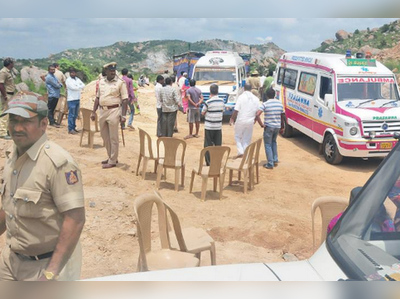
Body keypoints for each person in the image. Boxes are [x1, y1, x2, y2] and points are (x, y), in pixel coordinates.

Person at [0, 91, 85, 281]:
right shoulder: (12, 157)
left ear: (43, 124)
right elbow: (9, 207)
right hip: (11, 260)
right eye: (13, 120)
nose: (18, 127)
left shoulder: (57, 163)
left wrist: (50, 274)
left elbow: (75, 219)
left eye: (26, 121)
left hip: (46, 266)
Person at [91, 62, 128, 169]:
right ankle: (111, 156)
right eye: (110, 71)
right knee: (105, 136)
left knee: (113, 137)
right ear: (106, 71)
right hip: (102, 111)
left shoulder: (121, 83)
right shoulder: (101, 82)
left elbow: (125, 100)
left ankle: (112, 160)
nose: (112, 73)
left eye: (114, 71)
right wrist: (93, 111)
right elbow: (98, 98)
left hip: (114, 110)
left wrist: (124, 115)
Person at [256, 88, 284, 169]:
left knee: (268, 144)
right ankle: (275, 159)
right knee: (274, 142)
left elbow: (257, 114)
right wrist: (282, 126)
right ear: (274, 95)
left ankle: (270, 163)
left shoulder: (265, 104)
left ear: (267, 95)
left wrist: (261, 124)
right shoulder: (279, 104)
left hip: (269, 127)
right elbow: (282, 115)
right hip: (277, 127)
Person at [229, 83, 260, 158]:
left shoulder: (241, 97)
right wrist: (255, 119)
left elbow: (236, 110)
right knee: (247, 138)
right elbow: (257, 112)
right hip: (250, 121)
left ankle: (240, 152)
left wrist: (232, 118)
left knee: (237, 136)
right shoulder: (256, 99)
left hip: (241, 120)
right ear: (251, 89)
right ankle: (245, 153)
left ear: (244, 89)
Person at [202, 84, 224, 165]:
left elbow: (203, 113)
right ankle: (217, 161)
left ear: (210, 91)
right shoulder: (221, 101)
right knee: (218, 144)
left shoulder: (208, 102)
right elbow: (222, 110)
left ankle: (209, 162)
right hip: (218, 127)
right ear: (217, 91)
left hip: (209, 126)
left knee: (208, 144)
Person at [65, 68, 85, 135]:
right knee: (71, 115)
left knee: (75, 115)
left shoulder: (77, 79)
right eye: (72, 73)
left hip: (77, 99)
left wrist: (77, 86)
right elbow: (73, 88)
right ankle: (70, 129)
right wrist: (79, 87)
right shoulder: (68, 80)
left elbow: (83, 85)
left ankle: (74, 127)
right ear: (70, 73)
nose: (73, 74)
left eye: (74, 73)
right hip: (71, 99)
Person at [0, 57, 16, 139]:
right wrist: (5, 95)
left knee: (10, 113)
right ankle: (2, 132)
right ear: (10, 64)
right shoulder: (3, 72)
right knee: (5, 113)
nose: (13, 64)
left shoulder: (10, 72)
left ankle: (8, 131)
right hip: (7, 95)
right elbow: (1, 84)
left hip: (11, 94)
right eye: (12, 63)